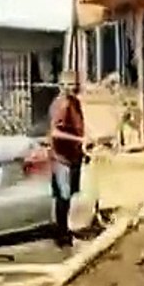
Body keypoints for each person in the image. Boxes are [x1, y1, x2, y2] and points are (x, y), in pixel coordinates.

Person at [47, 70, 86, 247]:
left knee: (68, 195)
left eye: (75, 84)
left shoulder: (75, 103)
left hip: (73, 155)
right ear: (61, 86)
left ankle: (65, 231)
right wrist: (80, 140)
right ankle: (60, 234)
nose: (73, 88)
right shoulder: (61, 105)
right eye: (69, 85)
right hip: (61, 157)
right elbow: (55, 133)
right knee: (63, 196)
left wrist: (82, 146)